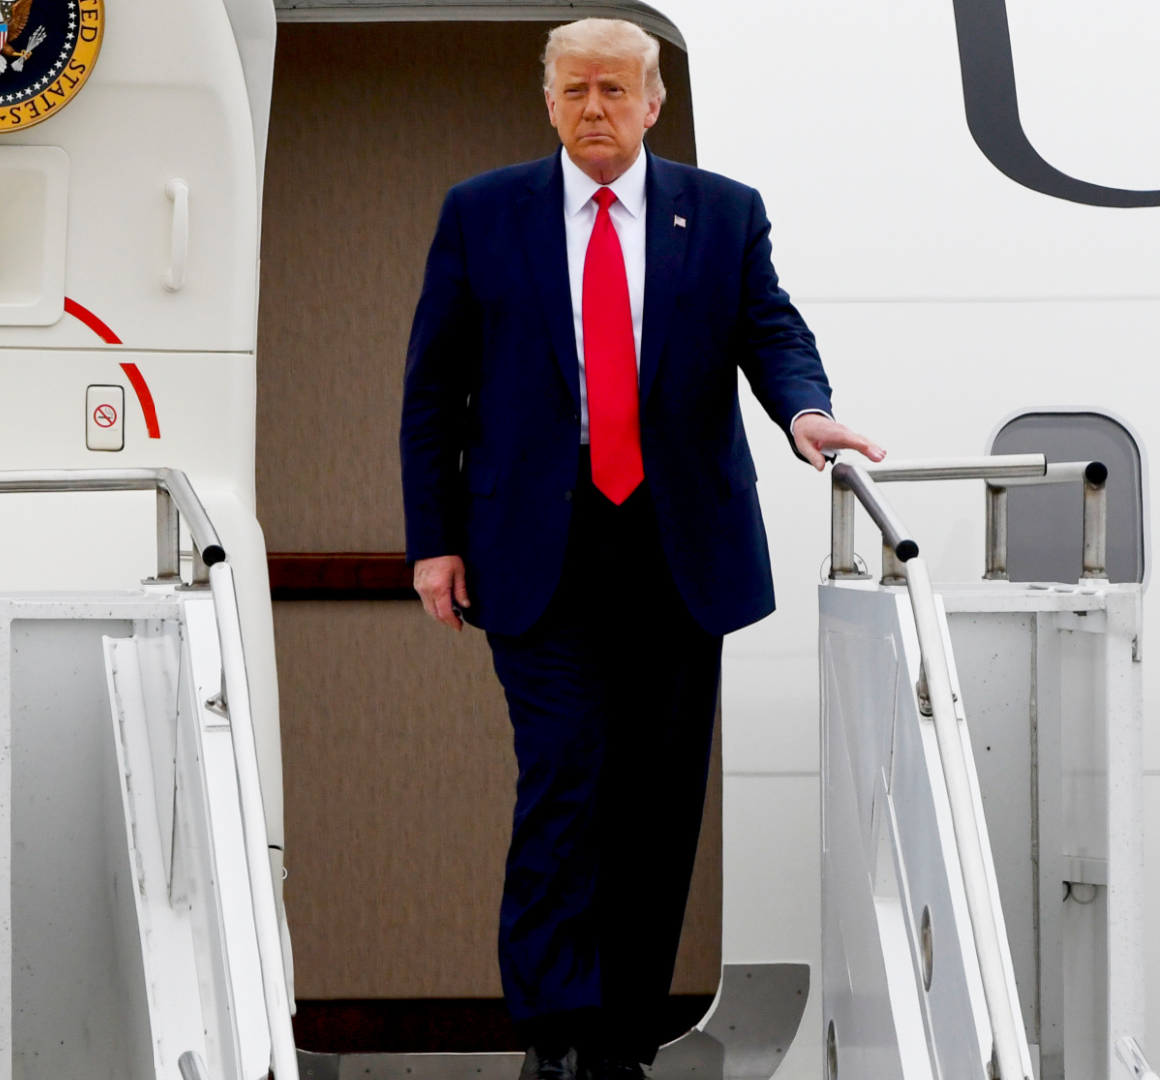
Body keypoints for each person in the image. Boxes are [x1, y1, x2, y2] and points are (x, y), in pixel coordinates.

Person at [399, 18, 884, 1080]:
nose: (594, 110)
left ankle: (620, 1037)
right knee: (565, 773)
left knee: (658, 800)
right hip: (539, 541)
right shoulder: (483, 214)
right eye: (574, 91)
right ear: (548, 101)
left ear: (654, 103)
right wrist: (432, 541)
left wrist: (807, 416)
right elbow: (435, 389)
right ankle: (557, 1032)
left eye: (614, 91)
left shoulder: (720, 214)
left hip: (676, 543)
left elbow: (772, 334)